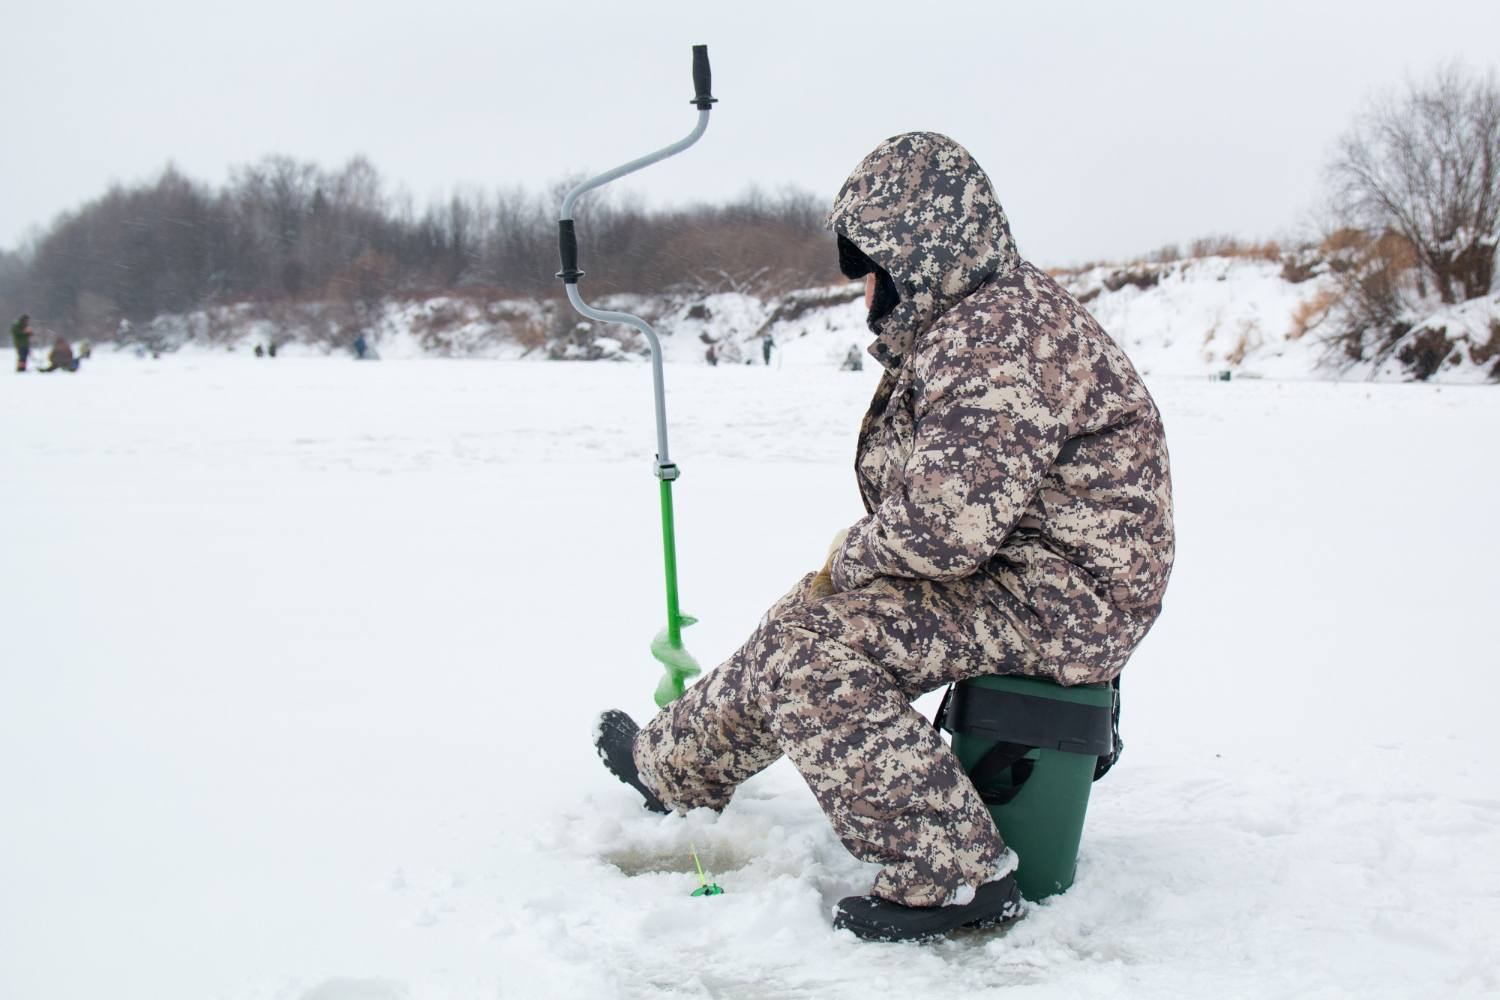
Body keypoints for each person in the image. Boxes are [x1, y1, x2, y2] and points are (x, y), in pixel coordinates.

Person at [594, 133, 1175, 941]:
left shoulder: (1000, 339)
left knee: (815, 655)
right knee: (810, 619)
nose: (867, 291)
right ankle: (676, 767)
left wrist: (852, 558)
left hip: (1065, 598)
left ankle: (952, 873)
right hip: (1020, 573)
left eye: (873, 270)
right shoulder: (975, 318)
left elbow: (944, 527)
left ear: (919, 251)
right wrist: (844, 572)